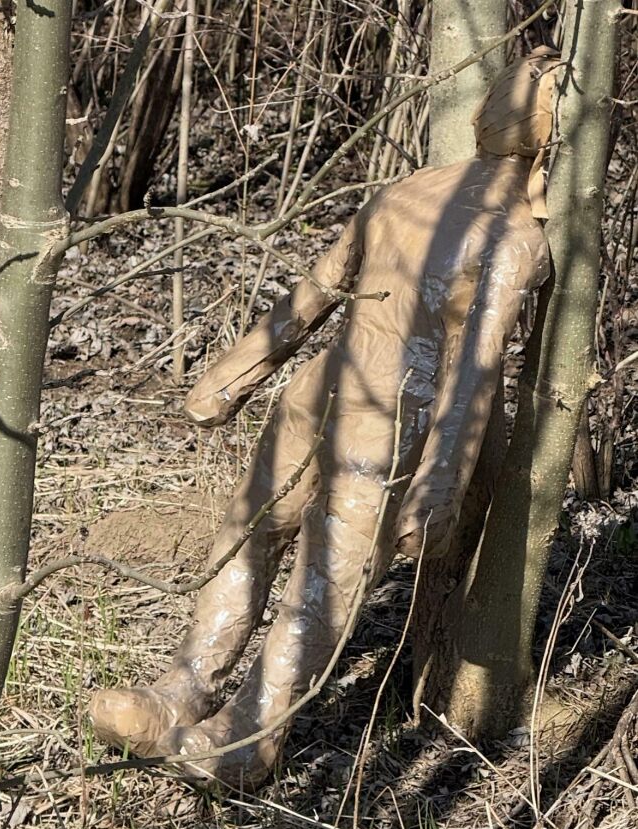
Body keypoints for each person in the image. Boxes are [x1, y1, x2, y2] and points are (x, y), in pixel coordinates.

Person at [90, 47, 560, 787]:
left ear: (482, 118)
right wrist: (442, 476)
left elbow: (314, 295)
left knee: (273, 546)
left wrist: (230, 376)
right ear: (549, 140)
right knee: (293, 560)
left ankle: (239, 724)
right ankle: (199, 702)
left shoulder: (417, 197)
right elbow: (473, 367)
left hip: (336, 398)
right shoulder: (507, 234)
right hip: (379, 416)